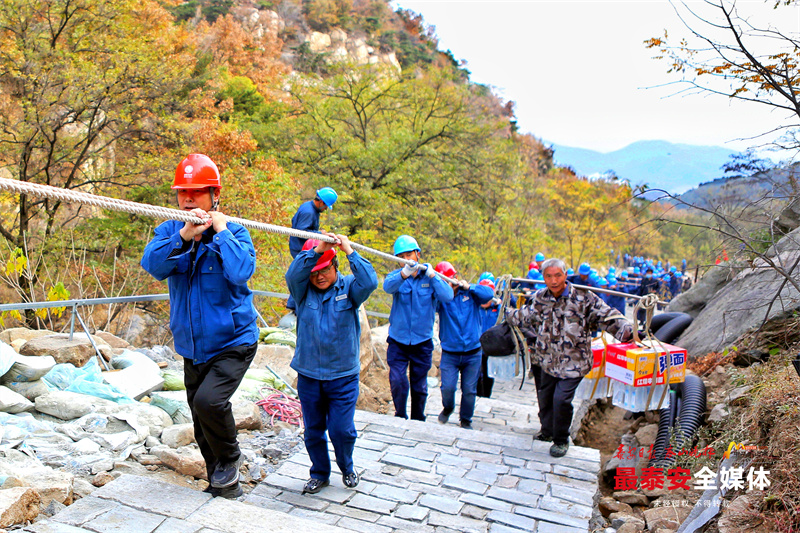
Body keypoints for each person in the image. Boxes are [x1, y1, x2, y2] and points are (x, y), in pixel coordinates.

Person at [141, 154, 258, 498]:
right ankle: (222, 486)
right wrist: (183, 236)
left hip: (233, 341)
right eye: (183, 192)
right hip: (193, 346)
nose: (189, 199)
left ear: (214, 194)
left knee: (209, 402)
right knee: (200, 419)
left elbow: (240, 272)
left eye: (197, 192)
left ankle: (231, 458)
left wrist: (219, 231)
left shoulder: (235, 232)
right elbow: (153, 264)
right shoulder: (169, 230)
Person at [505, 258, 634, 457]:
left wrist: (626, 329)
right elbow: (524, 315)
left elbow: (606, 315)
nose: (554, 280)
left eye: (558, 275)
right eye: (549, 276)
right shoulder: (541, 297)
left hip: (574, 361)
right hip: (546, 359)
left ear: (565, 275)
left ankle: (561, 439)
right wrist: (504, 308)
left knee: (561, 400)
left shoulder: (584, 297)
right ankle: (547, 432)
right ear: (543, 277)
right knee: (545, 399)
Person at [286, 233, 378, 494]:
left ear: (335, 266)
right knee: (313, 431)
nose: (319, 276)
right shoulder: (302, 292)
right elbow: (294, 275)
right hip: (309, 376)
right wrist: (316, 252)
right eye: (314, 272)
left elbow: (370, 281)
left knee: (341, 430)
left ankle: (347, 466)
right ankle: (319, 473)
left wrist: (349, 251)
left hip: (343, 377)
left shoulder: (350, 289)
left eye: (325, 269)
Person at [383, 235, 453, 421]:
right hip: (398, 340)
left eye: (409, 254)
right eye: (401, 256)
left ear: (418, 254)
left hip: (422, 341)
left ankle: (417, 417)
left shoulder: (430, 278)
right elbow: (387, 287)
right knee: (397, 380)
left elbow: (448, 296)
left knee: (419, 384)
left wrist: (433, 277)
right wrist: (404, 273)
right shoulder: (397, 277)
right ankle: (400, 414)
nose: (406, 259)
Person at [435, 261, 493, 429]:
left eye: (450, 279)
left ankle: (466, 419)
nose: (449, 283)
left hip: (472, 352)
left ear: (455, 277)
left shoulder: (470, 294)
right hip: (450, 353)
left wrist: (471, 287)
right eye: (444, 280)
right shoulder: (441, 299)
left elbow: (488, 294)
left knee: (469, 390)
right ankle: (448, 407)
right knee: (447, 387)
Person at [288, 187, 338, 258]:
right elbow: (301, 232)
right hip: (300, 250)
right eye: (326, 206)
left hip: (300, 247)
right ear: (321, 202)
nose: (325, 208)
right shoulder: (309, 212)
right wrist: (321, 234)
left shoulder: (309, 206)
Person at [477, 278, 500, 398]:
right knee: (476, 373)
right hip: (476, 345)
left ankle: (486, 396)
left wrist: (500, 305)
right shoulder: (474, 306)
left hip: (491, 347)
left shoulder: (496, 309)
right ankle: (476, 395)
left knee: (488, 374)